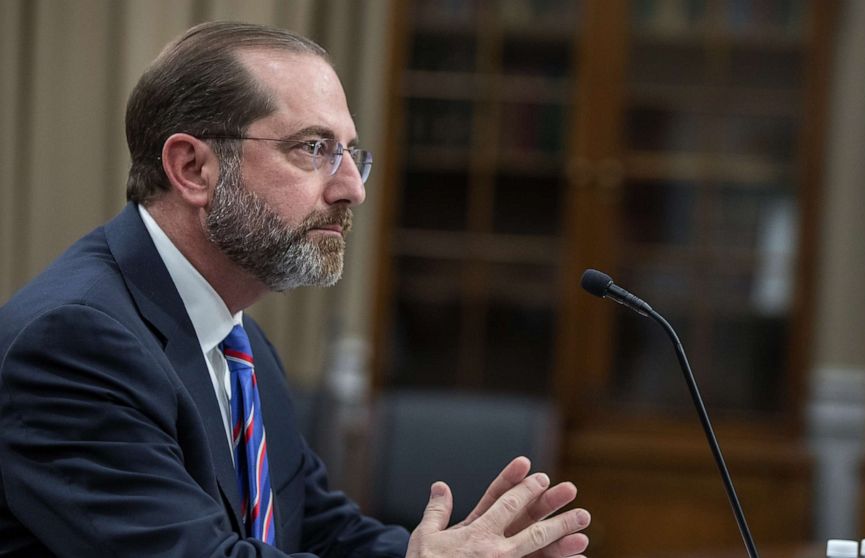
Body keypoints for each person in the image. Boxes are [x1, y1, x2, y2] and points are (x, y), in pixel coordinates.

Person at [0, 21, 590, 557]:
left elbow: (317, 527)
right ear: (193, 169)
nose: (351, 189)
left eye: (352, 154)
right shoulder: (74, 341)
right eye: (313, 149)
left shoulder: (239, 340)